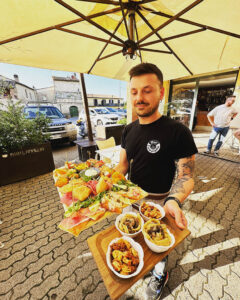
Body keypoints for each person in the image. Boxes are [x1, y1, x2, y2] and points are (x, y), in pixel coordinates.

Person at [114, 63, 198, 300]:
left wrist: (174, 201)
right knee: (134, 237)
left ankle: (160, 274)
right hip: (131, 200)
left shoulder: (178, 132)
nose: (139, 98)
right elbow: (122, 166)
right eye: (134, 91)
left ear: (161, 93)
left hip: (161, 203)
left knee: (158, 245)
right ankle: (141, 261)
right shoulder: (128, 130)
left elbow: (187, 175)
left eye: (147, 90)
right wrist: (104, 187)